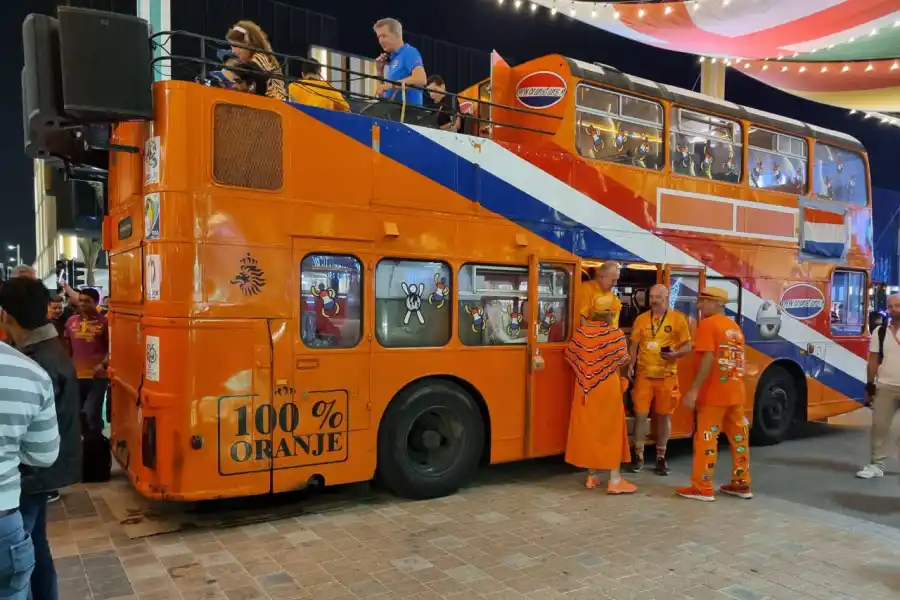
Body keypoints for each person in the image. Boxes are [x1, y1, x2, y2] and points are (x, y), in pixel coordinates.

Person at [0, 277, 80, 600]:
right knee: (35, 545)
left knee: (30, 548)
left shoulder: (36, 361)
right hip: (42, 472)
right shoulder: (44, 351)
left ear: (6, 315)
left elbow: (42, 444)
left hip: (33, 477)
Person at [677, 287, 751, 501]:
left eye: (703, 301)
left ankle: (702, 486)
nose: (699, 306)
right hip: (736, 392)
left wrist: (694, 389)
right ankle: (741, 482)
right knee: (739, 438)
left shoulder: (709, 325)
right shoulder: (734, 327)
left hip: (714, 394)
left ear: (716, 303)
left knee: (706, 438)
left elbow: (708, 359)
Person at [564, 306, 636, 494]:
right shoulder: (616, 334)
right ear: (611, 314)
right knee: (612, 430)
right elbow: (623, 359)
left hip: (585, 389)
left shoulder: (581, 333)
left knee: (590, 430)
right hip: (607, 387)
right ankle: (615, 479)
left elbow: (570, 355)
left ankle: (591, 476)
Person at [627, 284, 692, 475]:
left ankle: (661, 458)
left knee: (664, 417)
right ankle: (638, 456)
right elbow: (634, 345)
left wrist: (676, 354)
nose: (654, 300)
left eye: (658, 297)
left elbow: (688, 347)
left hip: (667, 376)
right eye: (652, 297)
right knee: (640, 415)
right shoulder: (641, 319)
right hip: (644, 376)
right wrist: (631, 364)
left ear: (667, 297)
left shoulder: (677, 319)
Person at [64, 288, 110, 481]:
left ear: (96, 302)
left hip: (97, 377)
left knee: (90, 414)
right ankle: (88, 461)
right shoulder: (71, 322)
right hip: (76, 377)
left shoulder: (105, 322)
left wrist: (103, 364)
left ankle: (97, 457)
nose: (82, 304)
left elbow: (112, 348)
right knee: (80, 419)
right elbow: (67, 349)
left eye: (87, 301)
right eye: (80, 300)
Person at [858, 294, 900, 479]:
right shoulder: (880, 332)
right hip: (885, 386)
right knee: (879, 427)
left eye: (898, 305)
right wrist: (870, 386)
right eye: (891, 306)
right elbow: (873, 359)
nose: (894, 309)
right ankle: (876, 465)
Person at [225, 20, 287, 100]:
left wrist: (233, 69)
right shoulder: (257, 57)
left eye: (235, 46)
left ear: (247, 43)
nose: (233, 51)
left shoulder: (260, 57)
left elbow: (257, 73)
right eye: (231, 47)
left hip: (273, 100)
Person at [374, 18, 427, 106]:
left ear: (397, 34)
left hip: (410, 113)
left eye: (384, 36)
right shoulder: (393, 59)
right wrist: (380, 71)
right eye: (379, 37)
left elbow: (421, 79)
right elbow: (382, 94)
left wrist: (391, 85)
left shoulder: (409, 52)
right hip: (393, 113)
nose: (380, 41)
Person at [580, 261, 622, 328]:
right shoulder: (586, 289)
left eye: (617, 280)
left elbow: (614, 323)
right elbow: (582, 321)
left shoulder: (612, 296)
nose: (615, 283)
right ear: (601, 277)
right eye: (613, 280)